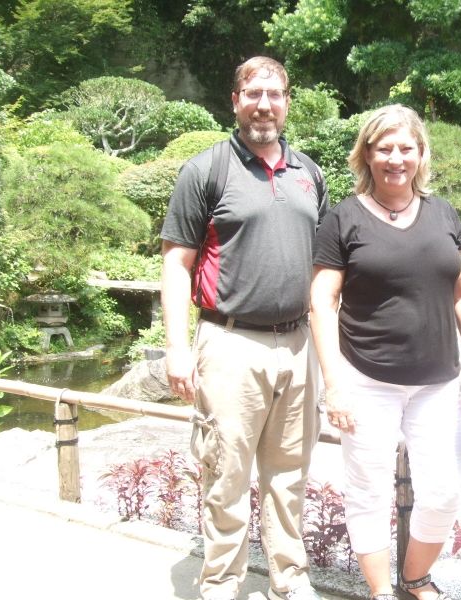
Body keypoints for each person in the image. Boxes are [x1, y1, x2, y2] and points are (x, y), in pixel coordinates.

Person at [160, 56, 328, 600]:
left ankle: (290, 581)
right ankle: (222, 584)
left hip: (298, 343)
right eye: (253, 93)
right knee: (226, 474)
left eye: (275, 94)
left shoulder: (309, 173)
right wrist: (177, 350)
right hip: (230, 342)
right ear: (235, 101)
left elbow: (327, 268)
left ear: (287, 100)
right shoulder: (206, 170)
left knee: (288, 478)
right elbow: (176, 264)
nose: (264, 104)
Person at [310, 104, 461, 600]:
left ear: (420, 154)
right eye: (384, 148)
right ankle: (382, 591)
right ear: (367, 155)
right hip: (365, 380)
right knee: (368, 491)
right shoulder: (343, 217)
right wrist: (334, 384)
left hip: (438, 383)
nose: (395, 158)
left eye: (406, 148)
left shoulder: (444, 212)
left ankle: (416, 577)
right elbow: (321, 301)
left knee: (443, 491)